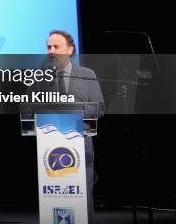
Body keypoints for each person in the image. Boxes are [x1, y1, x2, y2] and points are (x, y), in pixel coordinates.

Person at [46, 30, 105, 224]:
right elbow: (30, 109)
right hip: (50, 150)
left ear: (70, 50)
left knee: (82, 197)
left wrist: (76, 116)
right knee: (55, 198)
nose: (51, 51)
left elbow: (100, 108)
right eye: (48, 47)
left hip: (80, 145)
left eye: (56, 47)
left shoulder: (87, 75)